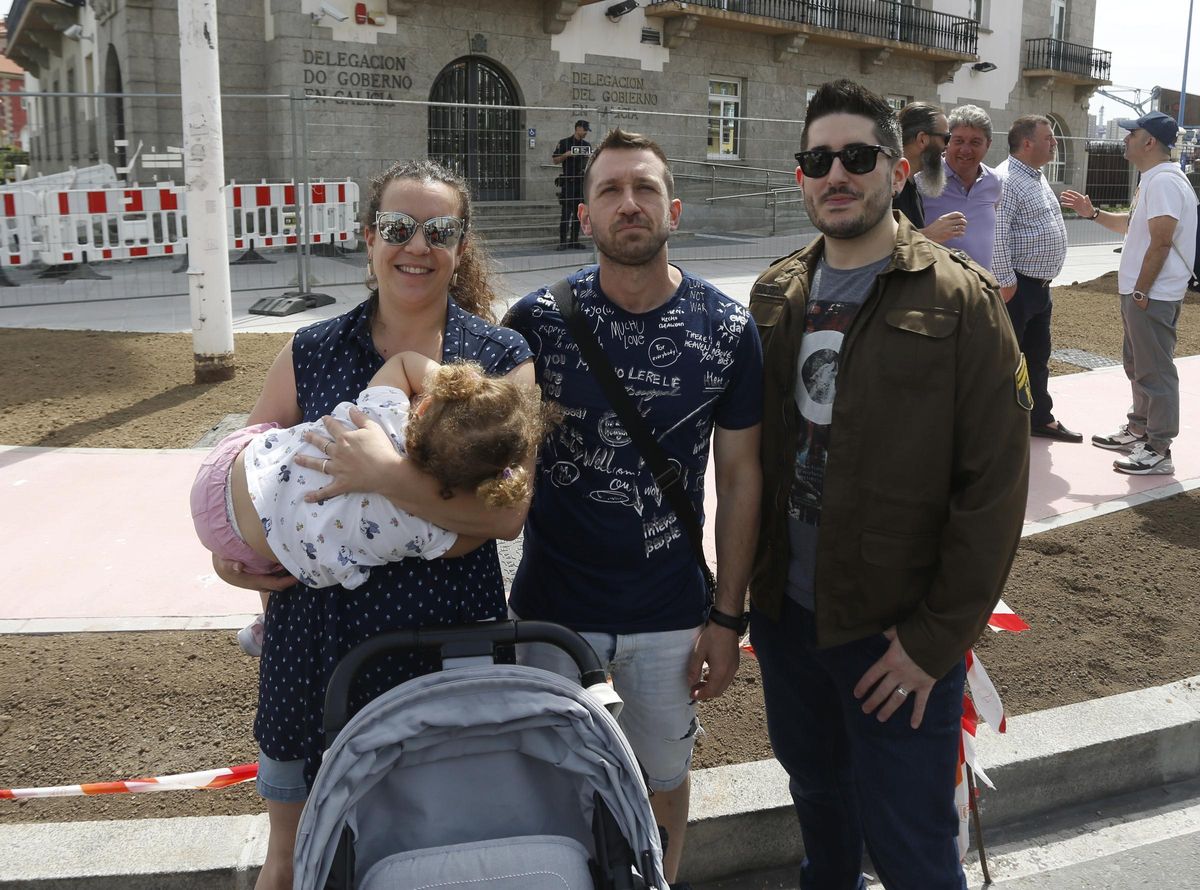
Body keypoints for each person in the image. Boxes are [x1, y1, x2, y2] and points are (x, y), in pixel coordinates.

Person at [211, 158, 536, 890]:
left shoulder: (499, 358)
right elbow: (246, 477)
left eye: (437, 230)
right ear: (368, 237)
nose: (415, 245)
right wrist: (229, 561)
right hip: (311, 655)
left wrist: (382, 475)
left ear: (460, 244)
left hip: (443, 647)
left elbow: (507, 512)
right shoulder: (311, 350)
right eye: (397, 226)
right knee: (292, 865)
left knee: (437, 856)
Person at [747, 79, 1029, 890]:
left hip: (895, 641)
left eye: (857, 156)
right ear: (801, 175)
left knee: (913, 853)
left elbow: (994, 492)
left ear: (897, 169)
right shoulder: (775, 295)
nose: (837, 173)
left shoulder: (962, 300)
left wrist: (932, 644)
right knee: (822, 824)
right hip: (790, 628)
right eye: (818, 158)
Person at [503, 127, 763, 884]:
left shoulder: (728, 328)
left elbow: (742, 478)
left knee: (661, 782)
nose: (629, 204)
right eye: (610, 191)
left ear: (673, 209)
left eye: (644, 188)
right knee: (550, 784)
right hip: (553, 610)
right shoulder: (535, 323)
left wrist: (727, 617)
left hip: (671, 615)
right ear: (584, 217)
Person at [192, 351, 547, 607]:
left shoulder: (383, 415)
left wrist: (454, 387)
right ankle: (261, 628)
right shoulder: (431, 527)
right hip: (243, 544)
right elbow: (477, 532)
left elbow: (403, 362)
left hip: (232, 467)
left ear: (423, 406)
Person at [1061, 111, 1196, 475]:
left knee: (1156, 371)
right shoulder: (1153, 179)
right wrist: (1093, 214)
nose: (1125, 139)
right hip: (1145, 293)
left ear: (1149, 141)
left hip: (1151, 294)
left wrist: (1141, 291)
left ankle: (1158, 448)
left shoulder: (1165, 182)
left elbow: (1162, 241)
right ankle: (1139, 428)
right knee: (1138, 366)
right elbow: (1132, 226)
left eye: (1131, 134)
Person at [992, 114, 1079, 442]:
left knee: (1038, 356)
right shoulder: (1007, 179)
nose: (1055, 143)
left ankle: (1040, 418)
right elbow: (997, 233)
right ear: (1027, 143)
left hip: (1039, 288)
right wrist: (1006, 283)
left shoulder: (1035, 176)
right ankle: (1001, 428)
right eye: (1049, 138)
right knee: (1007, 360)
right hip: (1017, 288)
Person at [919, 104, 1005, 269]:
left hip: (980, 290)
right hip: (935, 290)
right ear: (947, 142)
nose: (965, 150)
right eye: (958, 141)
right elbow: (896, 239)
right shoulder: (922, 180)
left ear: (988, 144)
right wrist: (928, 235)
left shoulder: (994, 182)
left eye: (975, 142)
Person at [894, 100, 966, 243]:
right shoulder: (885, 185)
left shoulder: (911, 183)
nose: (948, 146)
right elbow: (874, 246)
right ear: (922, 139)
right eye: (946, 138)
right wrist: (928, 235)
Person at [553, 119, 592, 250]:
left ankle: (574, 241)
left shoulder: (586, 145)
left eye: (587, 130)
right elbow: (555, 160)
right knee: (566, 213)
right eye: (585, 129)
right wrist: (566, 155)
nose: (586, 132)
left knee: (578, 214)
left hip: (580, 183)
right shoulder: (564, 143)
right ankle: (563, 241)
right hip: (568, 183)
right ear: (578, 128)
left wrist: (590, 158)